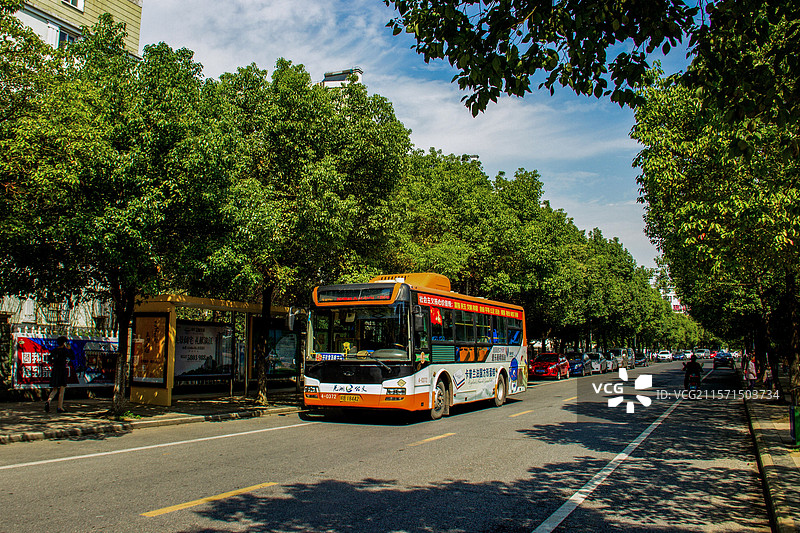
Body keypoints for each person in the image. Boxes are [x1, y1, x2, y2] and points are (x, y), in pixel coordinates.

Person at [45, 336, 72, 414]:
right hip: (62, 370)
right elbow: (72, 357)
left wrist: (54, 362)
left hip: (55, 370)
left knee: (55, 389)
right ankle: (60, 407)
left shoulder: (54, 350)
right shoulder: (65, 351)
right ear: (64, 343)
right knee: (62, 389)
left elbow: (49, 359)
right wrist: (70, 349)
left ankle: (48, 401)